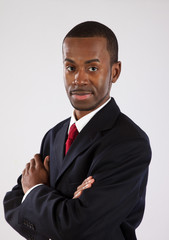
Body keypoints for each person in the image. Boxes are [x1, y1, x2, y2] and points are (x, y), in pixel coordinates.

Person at [3, 21, 151, 240]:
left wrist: (35, 190)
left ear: (115, 71)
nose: (79, 79)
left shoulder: (129, 143)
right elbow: (12, 204)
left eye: (92, 68)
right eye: (71, 67)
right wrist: (63, 210)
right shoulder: (54, 135)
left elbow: (78, 227)